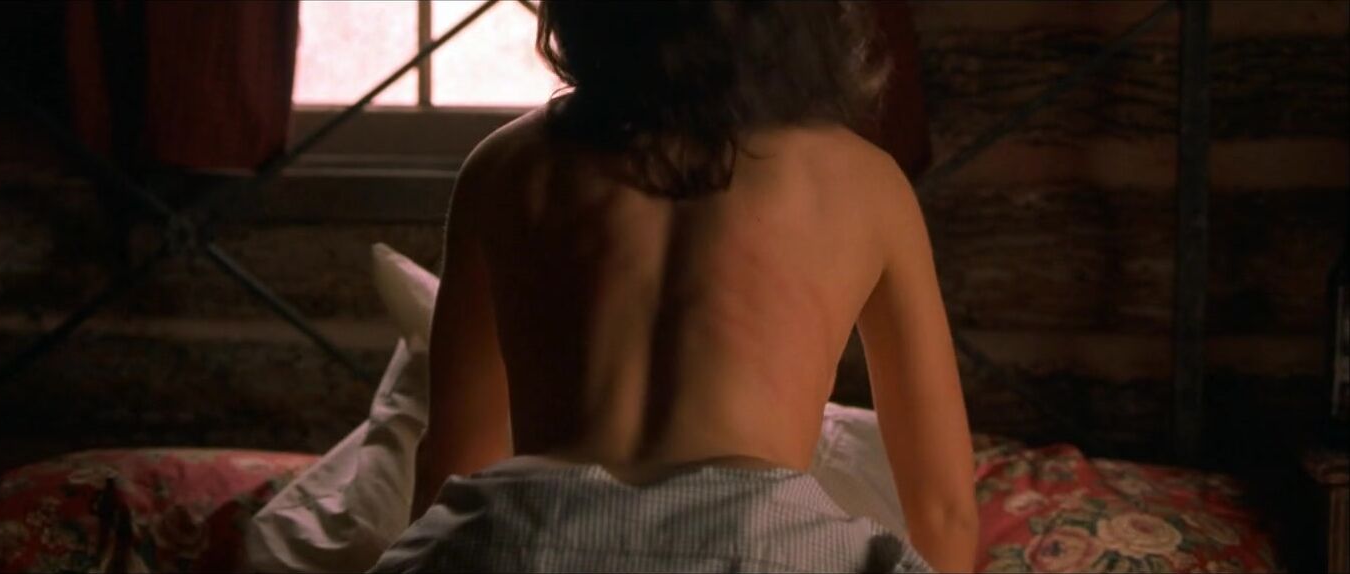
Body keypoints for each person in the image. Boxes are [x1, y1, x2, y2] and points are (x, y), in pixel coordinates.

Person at [373, 1, 976, 572]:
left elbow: (453, 457)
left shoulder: (504, 166)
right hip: (766, 549)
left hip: (528, 542)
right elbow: (943, 509)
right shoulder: (864, 183)